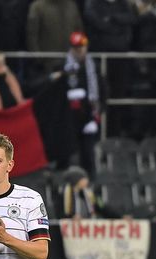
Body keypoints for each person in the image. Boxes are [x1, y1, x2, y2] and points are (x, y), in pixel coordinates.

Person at [57, 31, 103, 175]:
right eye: (76, 48)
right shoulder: (63, 66)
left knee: (88, 151)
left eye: (82, 48)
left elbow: (101, 88)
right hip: (69, 115)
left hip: (88, 114)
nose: (80, 51)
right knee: (66, 150)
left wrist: (99, 110)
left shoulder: (93, 66)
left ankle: (90, 178)